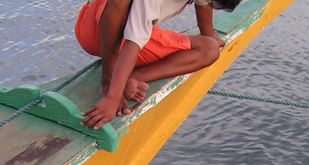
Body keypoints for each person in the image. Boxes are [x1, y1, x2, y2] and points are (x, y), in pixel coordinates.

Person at [75, 0, 241, 129]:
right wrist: (112, 96)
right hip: (98, 31)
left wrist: (209, 34)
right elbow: (134, 41)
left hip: (118, 40)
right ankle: (111, 78)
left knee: (209, 49)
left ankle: (132, 78)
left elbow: (203, 4)